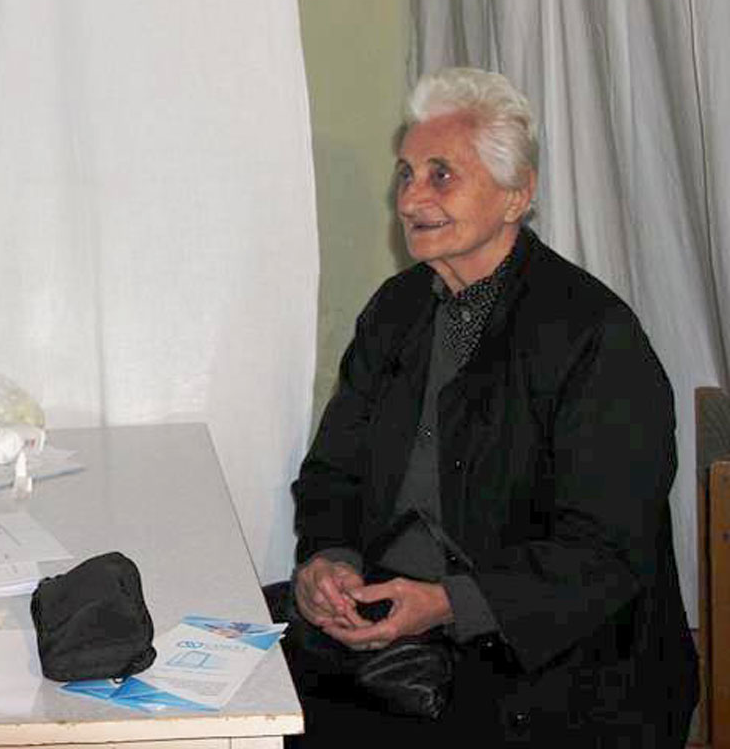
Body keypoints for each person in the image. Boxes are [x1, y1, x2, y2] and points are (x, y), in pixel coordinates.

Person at [281, 68, 697, 745]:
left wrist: (449, 603)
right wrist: (328, 560)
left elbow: (605, 550)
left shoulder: (593, 335)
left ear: (516, 196)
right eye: (406, 173)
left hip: (551, 669)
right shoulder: (395, 311)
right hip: (403, 636)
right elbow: (334, 471)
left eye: (441, 174)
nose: (411, 197)